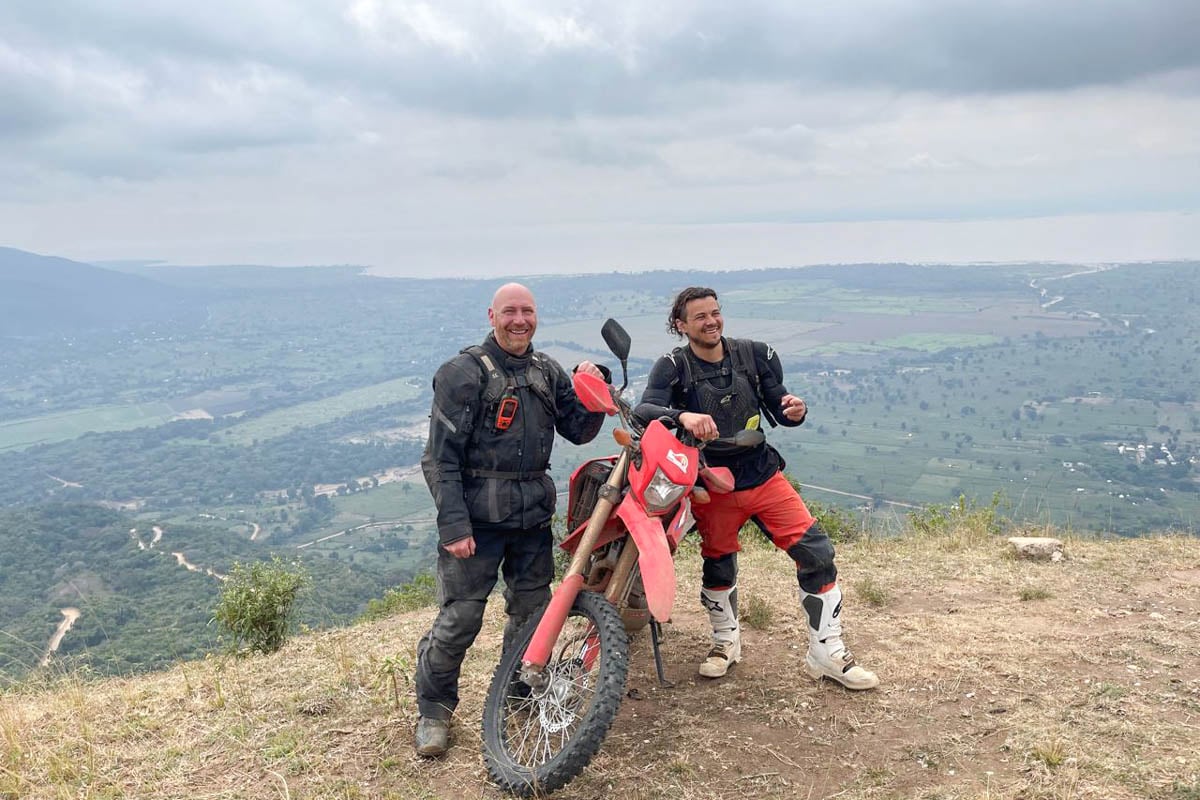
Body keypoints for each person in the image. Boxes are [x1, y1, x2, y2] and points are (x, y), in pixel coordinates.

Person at [634, 286, 878, 690]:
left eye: (715, 312)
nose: (711, 321)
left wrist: (794, 409)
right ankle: (724, 643)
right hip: (711, 480)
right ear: (680, 325)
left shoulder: (754, 354)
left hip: (762, 473)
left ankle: (827, 651)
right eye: (700, 317)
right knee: (719, 562)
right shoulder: (672, 366)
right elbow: (646, 410)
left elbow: (778, 403)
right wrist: (684, 416)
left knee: (816, 552)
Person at [413, 283, 607, 757]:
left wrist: (597, 386)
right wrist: (454, 527)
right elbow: (439, 459)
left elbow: (579, 430)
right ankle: (434, 710)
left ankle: (516, 691)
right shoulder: (462, 373)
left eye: (527, 311)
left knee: (531, 613)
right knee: (461, 616)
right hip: (477, 521)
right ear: (492, 315)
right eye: (510, 312)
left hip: (531, 519)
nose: (519, 320)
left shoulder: (546, 371)